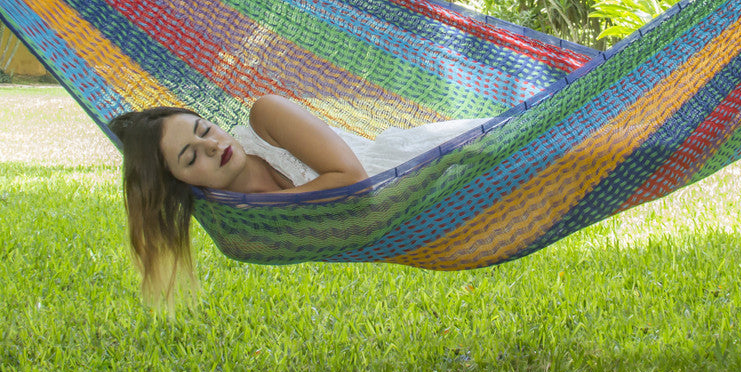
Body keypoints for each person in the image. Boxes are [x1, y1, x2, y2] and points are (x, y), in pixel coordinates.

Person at [109, 94, 485, 303]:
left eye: (204, 128)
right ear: (183, 185)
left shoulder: (267, 116)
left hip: (433, 157)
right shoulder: (239, 236)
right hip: (422, 215)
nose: (212, 145)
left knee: (534, 154)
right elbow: (362, 225)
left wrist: (264, 206)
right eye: (190, 157)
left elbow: (356, 185)